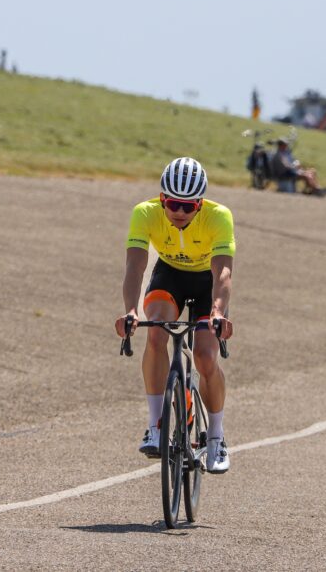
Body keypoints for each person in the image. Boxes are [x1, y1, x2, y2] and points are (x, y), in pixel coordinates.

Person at [114, 157, 235, 474]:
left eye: (188, 206)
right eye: (172, 204)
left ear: (200, 204)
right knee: (155, 332)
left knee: (205, 357)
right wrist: (131, 310)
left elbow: (222, 272)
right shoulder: (145, 213)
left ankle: (216, 437)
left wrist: (217, 312)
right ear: (161, 198)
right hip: (169, 276)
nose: (179, 212)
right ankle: (155, 426)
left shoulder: (219, 216)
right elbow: (135, 266)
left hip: (207, 281)